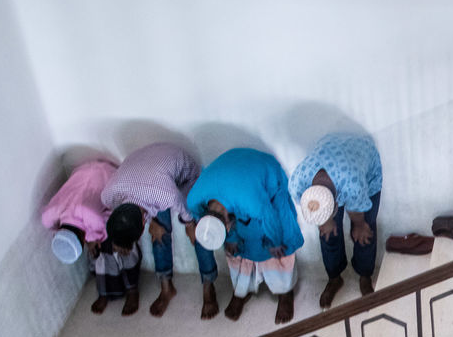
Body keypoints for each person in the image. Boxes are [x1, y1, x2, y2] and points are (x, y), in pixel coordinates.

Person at [101, 143, 220, 319]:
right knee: (158, 232)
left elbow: (181, 206)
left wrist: (189, 226)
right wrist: (151, 223)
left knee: (198, 231)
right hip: (148, 174)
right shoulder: (108, 194)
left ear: (142, 219)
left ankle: (208, 286)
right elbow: (123, 214)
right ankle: (167, 287)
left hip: (184, 174)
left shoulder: (165, 194)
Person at [186, 148, 303, 323]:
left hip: (265, 172)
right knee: (234, 249)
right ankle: (242, 290)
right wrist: (231, 239)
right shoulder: (193, 200)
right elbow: (207, 221)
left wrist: (274, 243)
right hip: (233, 178)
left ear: (227, 221)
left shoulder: (250, 201)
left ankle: (285, 292)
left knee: (278, 241)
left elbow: (268, 216)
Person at [289, 133, 383, 309]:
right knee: (327, 233)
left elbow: (358, 214)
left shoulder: (353, 184)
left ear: (336, 204)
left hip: (363, 161)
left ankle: (365, 274)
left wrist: (358, 225)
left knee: (364, 232)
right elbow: (315, 210)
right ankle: (334, 278)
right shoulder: (297, 183)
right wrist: (324, 222)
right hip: (330, 150)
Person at [40, 159, 140, 315]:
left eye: (83, 242)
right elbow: (62, 228)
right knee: (97, 254)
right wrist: (91, 240)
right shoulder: (48, 216)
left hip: (106, 174)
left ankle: (132, 290)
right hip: (81, 172)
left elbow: (111, 222)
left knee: (119, 245)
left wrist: (93, 240)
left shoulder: (92, 216)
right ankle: (105, 292)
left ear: (82, 237)